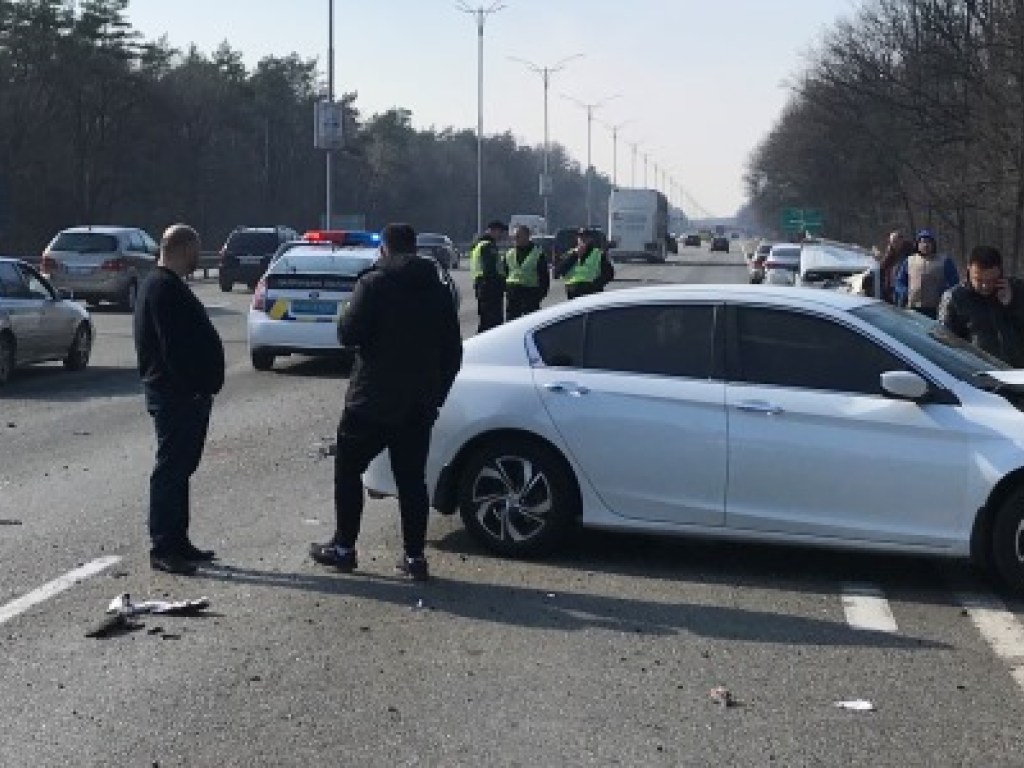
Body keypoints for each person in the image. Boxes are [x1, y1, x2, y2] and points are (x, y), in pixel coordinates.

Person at [310, 223, 462, 581]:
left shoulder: (372, 284)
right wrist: (436, 395)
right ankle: (414, 558)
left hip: (370, 401)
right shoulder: (438, 289)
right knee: (412, 481)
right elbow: (452, 352)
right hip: (418, 405)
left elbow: (348, 335)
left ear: (385, 249)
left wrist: (348, 311)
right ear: (416, 248)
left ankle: (344, 548)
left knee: (348, 470)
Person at [133, 224, 225, 575]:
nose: (198, 257)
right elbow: (174, 350)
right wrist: (194, 387)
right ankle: (163, 547)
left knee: (181, 468)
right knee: (171, 470)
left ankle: (178, 540)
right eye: (196, 249)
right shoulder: (161, 288)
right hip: (175, 395)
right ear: (184, 248)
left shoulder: (165, 285)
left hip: (181, 394)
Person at [939, 245, 1024, 366]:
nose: (985, 286)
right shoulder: (955, 297)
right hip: (978, 373)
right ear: (969, 270)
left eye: (991, 280)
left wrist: (1012, 305)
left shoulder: (1017, 289)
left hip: (1018, 372)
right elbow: (945, 342)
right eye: (978, 280)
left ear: (1000, 271)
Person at [894, 229, 959, 317]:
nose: (925, 245)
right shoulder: (909, 261)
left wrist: (945, 294)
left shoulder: (944, 261)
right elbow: (899, 281)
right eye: (922, 242)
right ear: (918, 244)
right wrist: (904, 292)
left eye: (928, 242)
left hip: (937, 308)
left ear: (933, 244)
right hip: (913, 307)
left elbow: (954, 283)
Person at [504, 224, 550, 320]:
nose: (515, 239)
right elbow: (504, 272)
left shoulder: (537, 253)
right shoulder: (509, 253)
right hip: (513, 293)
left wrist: (539, 295)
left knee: (531, 321)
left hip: (530, 293)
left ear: (527, 237)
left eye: (518, 237)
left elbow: (544, 277)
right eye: (514, 237)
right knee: (511, 323)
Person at [469, 220, 508, 332]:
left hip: (481, 286)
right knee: (493, 323)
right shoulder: (488, 246)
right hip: (490, 287)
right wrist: (502, 283)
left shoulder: (478, 245)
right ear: (493, 231)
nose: (501, 235)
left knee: (485, 320)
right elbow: (490, 270)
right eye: (500, 232)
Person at [555, 228, 608, 299]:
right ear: (577, 239)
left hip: (592, 293)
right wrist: (575, 255)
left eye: (585, 237)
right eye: (580, 237)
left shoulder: (598, 254)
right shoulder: (569, 254)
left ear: (590, 239)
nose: (583, 239)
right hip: (573, 292)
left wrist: (596, 285)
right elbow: (558, 271)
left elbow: (609, 274)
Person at [879, 229, 915, 304]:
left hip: (905, 287)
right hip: (891, 288)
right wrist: (888, 254)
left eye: (896, 241)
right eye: (892, 242)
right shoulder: (890, 254)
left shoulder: (910, 252)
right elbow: (882, 267)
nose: (894, 244)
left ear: (902, 240)